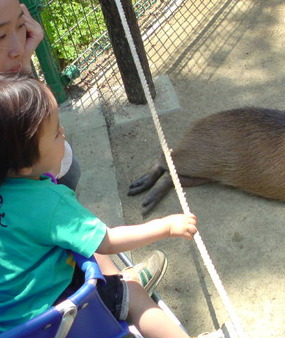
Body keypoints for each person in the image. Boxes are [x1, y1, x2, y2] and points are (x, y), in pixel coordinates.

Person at [0, 73, 198, 337]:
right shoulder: (49, 200)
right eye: (57, 133)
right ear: (25, 164)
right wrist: (165, 226)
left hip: (11, 325)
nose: (64, 133)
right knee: (132, 292)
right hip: (55, 313)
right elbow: (107, 241)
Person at [0, 0, 80, 191]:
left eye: (20, 25)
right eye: (1, 35)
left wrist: (24, 69)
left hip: (58, 173)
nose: (19, 49)